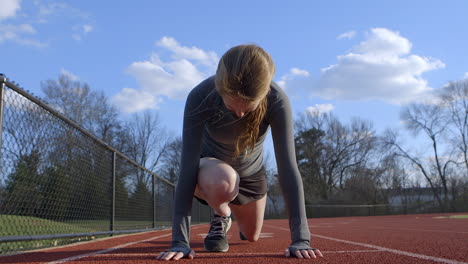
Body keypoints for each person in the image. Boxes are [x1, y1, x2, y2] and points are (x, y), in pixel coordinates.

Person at [157, 44, 323, 260]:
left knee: (252, 236)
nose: (240, 113)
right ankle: (222, 213)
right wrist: (179, 241)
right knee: (224, 180)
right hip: (212, 173)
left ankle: (238, 215)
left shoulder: (277, 100)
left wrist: (301, 239)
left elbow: (288, 169)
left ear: (263, 96)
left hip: (251, 175)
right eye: (232, 106)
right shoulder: (201, 96)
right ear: (219, 87)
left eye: (248, 107)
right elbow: (187, 168)